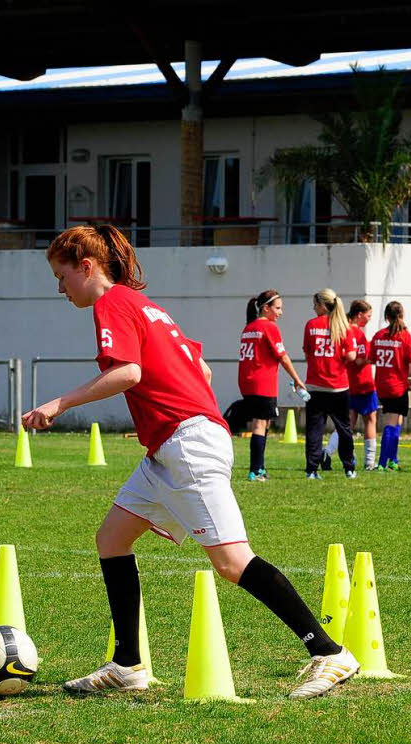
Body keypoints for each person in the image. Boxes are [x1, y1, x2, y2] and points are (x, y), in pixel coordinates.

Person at [22, 225, 359, 699]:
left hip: (187, 444)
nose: (60, 288)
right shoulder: (148, 306)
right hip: (171, 444)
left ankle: (328, 652)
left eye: (61, 277)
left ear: (87, 267)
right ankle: (127, 664)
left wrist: (58, 404)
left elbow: (129, 371)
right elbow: (198, 365)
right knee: (111, 539)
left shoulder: (111, 303)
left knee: (231, 561)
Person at [238, 290, 308, 481]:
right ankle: (256, 470)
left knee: (262, 422)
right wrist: (296, 378)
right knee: (260, 424)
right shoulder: (269, 327)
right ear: (265, 308)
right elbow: (282, 356)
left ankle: (260, 467)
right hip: (262, 383)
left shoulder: (249, 327)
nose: (280, 312)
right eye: (277, 308)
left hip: (247, 382)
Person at [303, 289, 357, 480]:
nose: (314, 308)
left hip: (316, 386)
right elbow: (351, 355)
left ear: (322, 305)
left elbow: (307, 352)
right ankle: (349, 467)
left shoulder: (311, 325)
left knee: (314, 430)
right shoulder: (344, 327)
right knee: (344, 429)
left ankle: (312, 469)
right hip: (338, 386)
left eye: (315, 304)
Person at [323, 299, 378, 471]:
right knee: (370, 419)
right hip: (362, 383)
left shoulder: (340, 329)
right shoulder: (357, 333)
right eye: (368, 316)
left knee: (347, 423)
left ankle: (327, 451)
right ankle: (369, 462)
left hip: (346, 382)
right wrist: (372, 358)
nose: (369, 319)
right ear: (359, 315)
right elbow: (359, 360)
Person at [370, 301, 411, 470]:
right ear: (402, 315)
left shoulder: (378, 336)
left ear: (386, 317)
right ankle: (383, 463)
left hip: (382, 385)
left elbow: (371, 359)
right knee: (391, 422)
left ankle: (393, 460)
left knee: (397, 420)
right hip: (397, 386)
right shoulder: (405, 336)